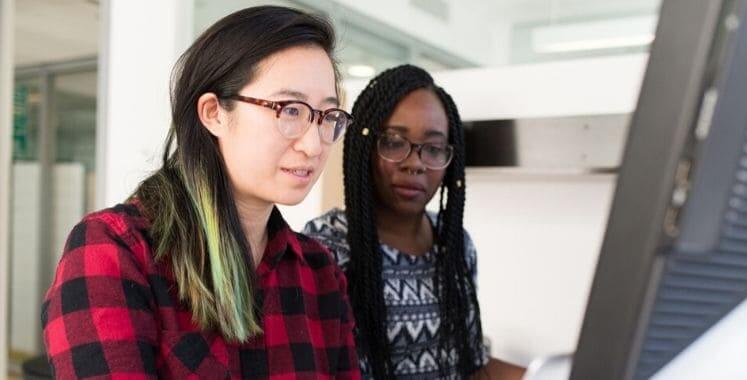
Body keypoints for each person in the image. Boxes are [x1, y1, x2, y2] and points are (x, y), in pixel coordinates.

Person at [41, 6, 359, 378]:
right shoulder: (116, 250)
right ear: (213, 113)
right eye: (290, 110)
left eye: (328, 117)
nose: (314, 144)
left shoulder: (319, 272)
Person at [304, 65, 525, 379]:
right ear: (365, 146)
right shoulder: (325, 247)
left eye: (433, 149)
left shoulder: (455, 244)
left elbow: (470, 367)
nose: (415, 164)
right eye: (394, 142)